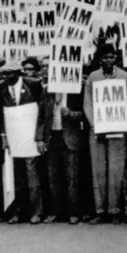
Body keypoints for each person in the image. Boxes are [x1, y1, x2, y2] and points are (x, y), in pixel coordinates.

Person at [84, 44, 127, 224]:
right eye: (105, 57)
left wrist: (116, 120)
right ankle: (100, 210)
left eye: (112, 57)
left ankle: (115, 209)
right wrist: (94, 124)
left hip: (117, 127)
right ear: (100, 59)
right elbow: (87, 103)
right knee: (98, 169)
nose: (109, 60)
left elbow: (125, 100)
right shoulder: (93, 77)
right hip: (97, 128)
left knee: (116, 168)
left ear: (116, 59)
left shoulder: (124, 76)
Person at [0, 61, 47, 225]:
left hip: (30, 138)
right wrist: (4, 137)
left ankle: (37, 212)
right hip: (13, 138)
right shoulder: (1, 88)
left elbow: (42, 112)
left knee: (32, 176)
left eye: (8, 74)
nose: (5, 77)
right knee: (17, 178)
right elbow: (1, 114)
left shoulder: (33, 85)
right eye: (3, 74)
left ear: (18, 73)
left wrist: (39, 137)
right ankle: (18, 212)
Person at [40, 74, 84, 224]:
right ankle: (56, 212)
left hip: (70, 138)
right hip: (52, 138)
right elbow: (41, 115)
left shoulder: (76, 90)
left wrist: (71, 113)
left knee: (72, 177)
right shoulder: (47, 90)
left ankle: (73, 213)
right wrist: (40, 138)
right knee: (53, 177)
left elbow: (86, 113)